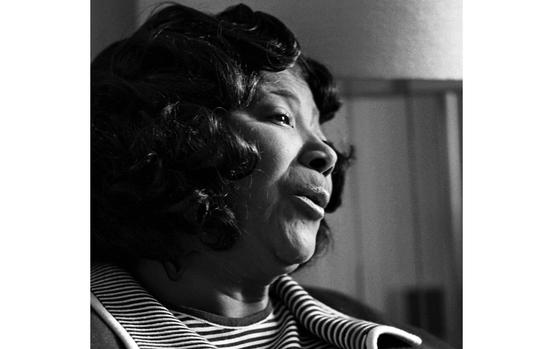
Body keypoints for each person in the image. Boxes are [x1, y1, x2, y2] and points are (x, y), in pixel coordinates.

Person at [91, 3, 451, 349]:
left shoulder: (375, 330)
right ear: (178, 135)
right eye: (282, 117)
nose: (328, 155)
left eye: (323, 134)